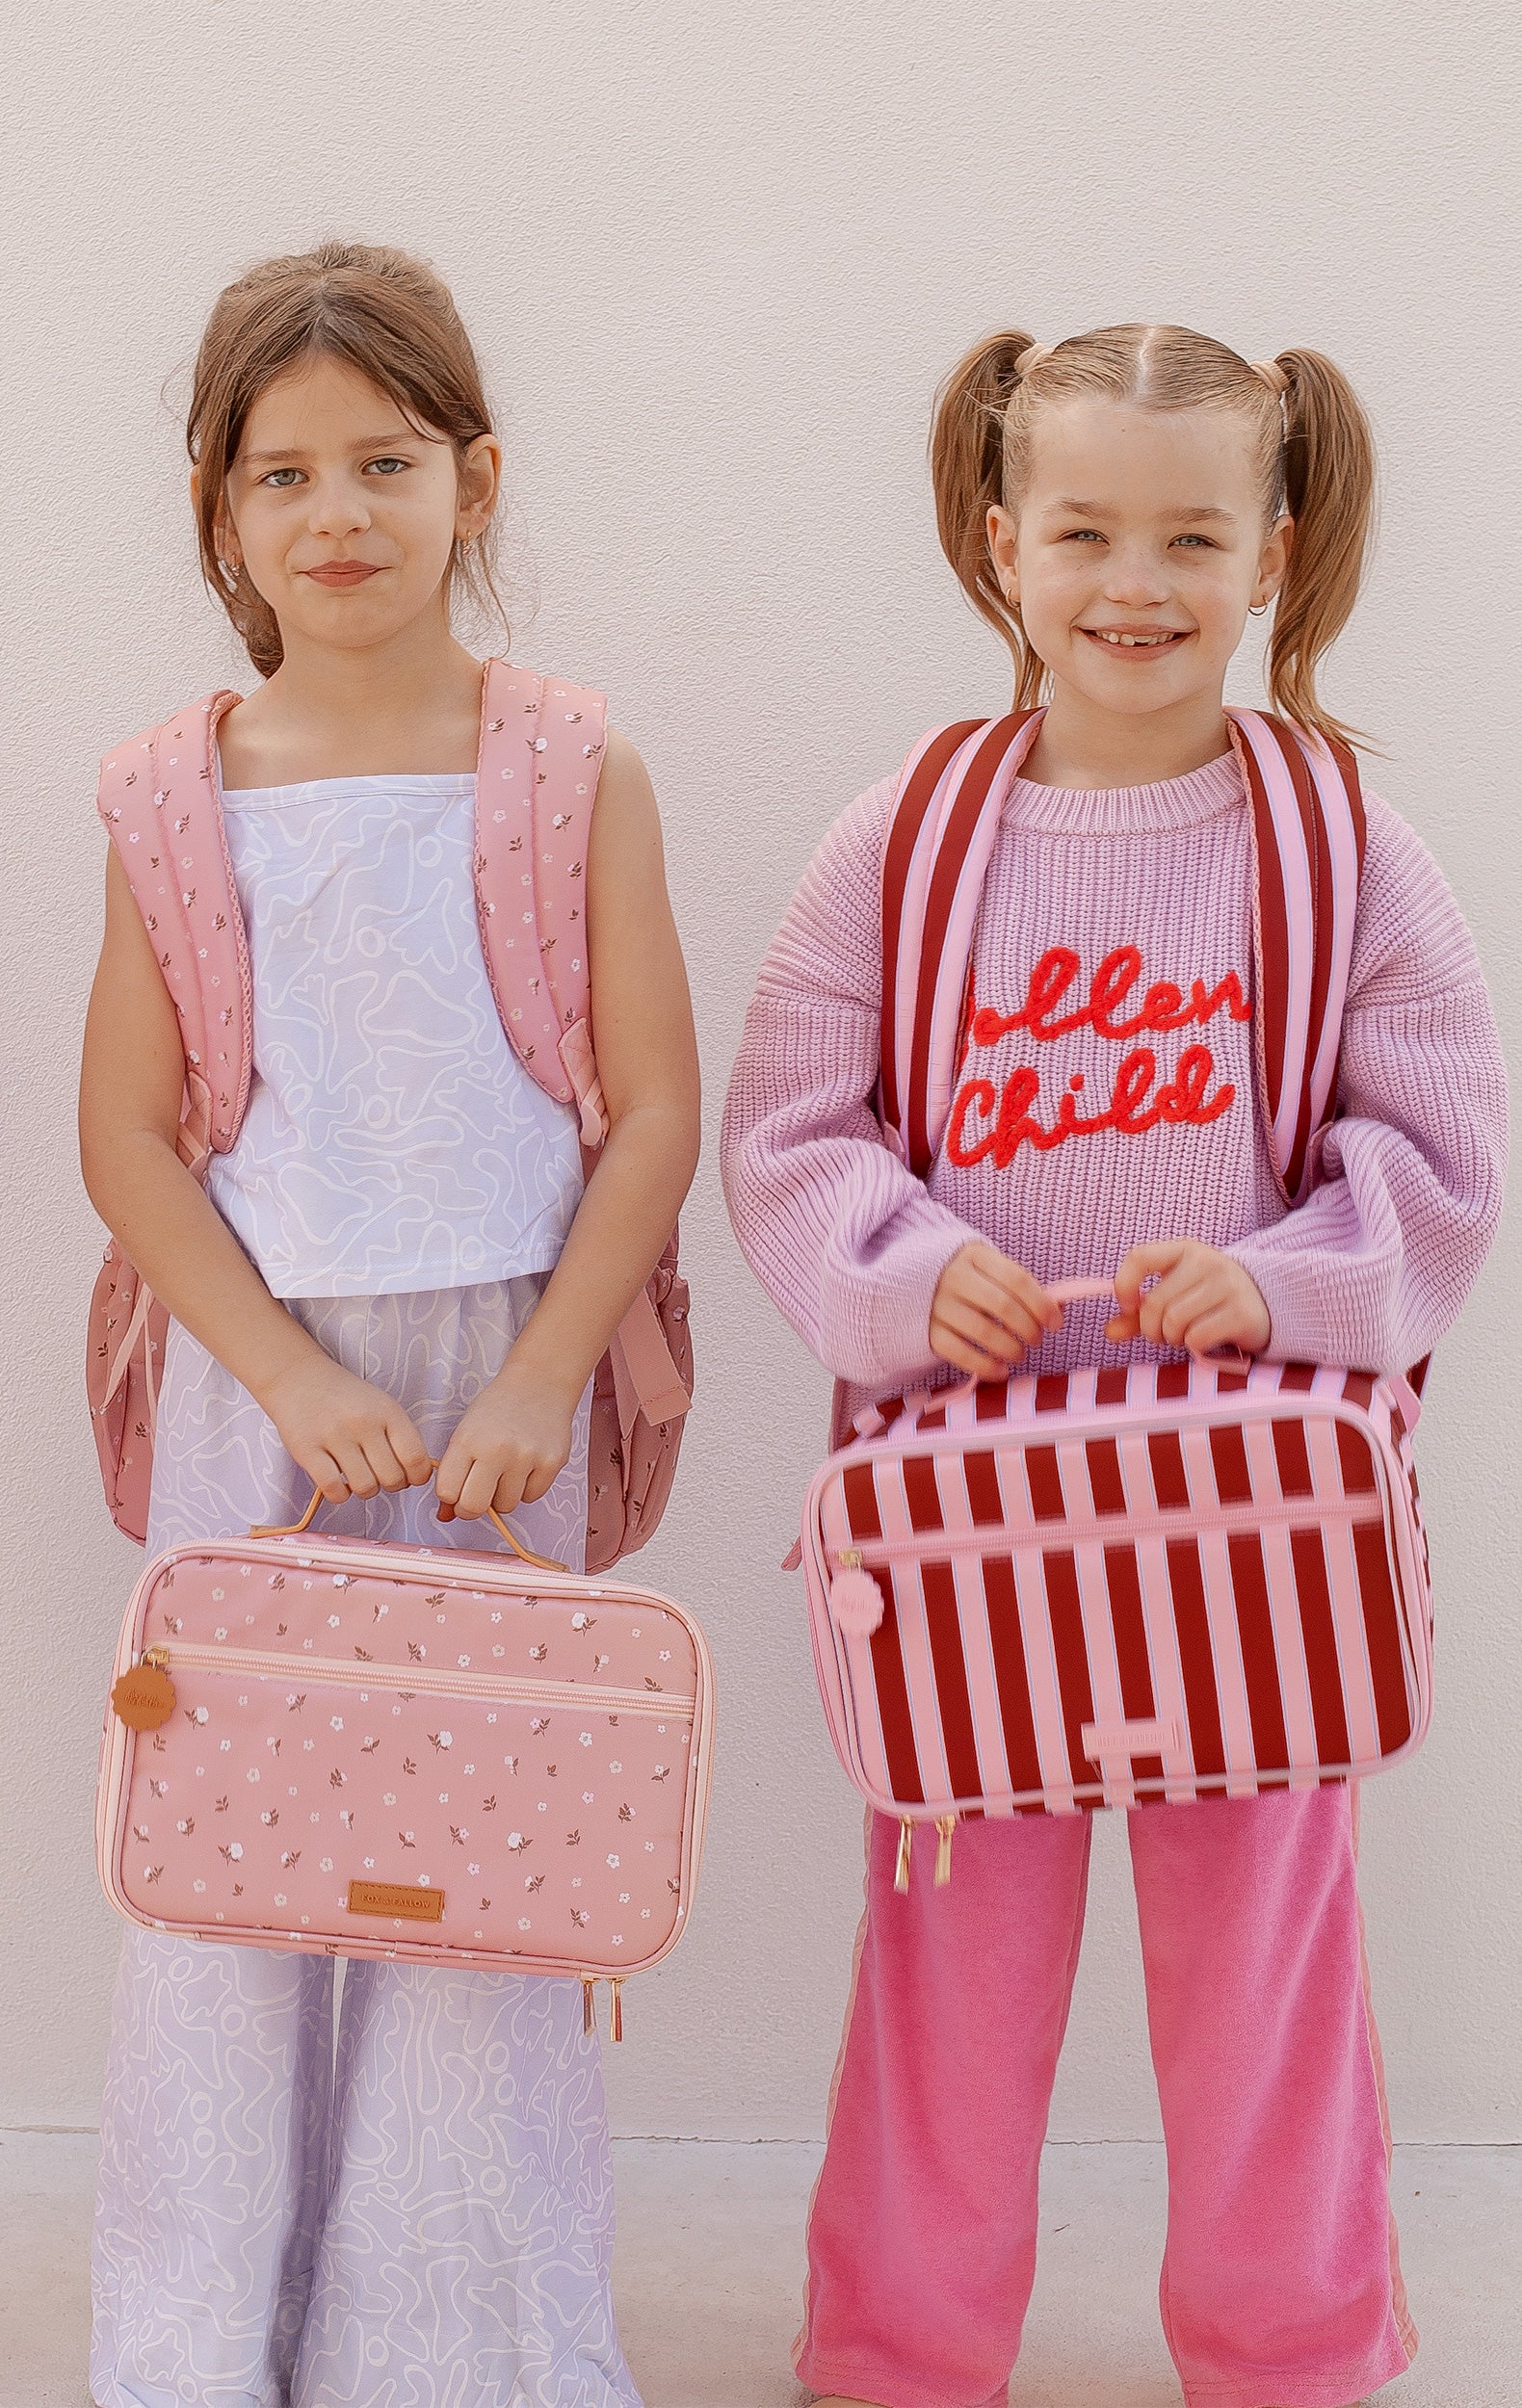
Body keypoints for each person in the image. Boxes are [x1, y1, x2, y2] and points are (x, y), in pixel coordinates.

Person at [721, 324, 1505, 2408]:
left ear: (1272, 547)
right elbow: (789, 1128)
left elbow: (1437, 1149)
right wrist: (898, 1273)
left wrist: (1286, 1276)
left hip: (1248, 1526)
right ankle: (894, 2351)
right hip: (971, 1530)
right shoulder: (904, 836)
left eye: (1186, 532)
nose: (1129, 580)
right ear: (997, 543)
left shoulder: (1337, 843)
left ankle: (1290, 2349)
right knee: (944, 1978)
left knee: (1262, 1969)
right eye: (1078, 528)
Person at [77, 241, 700, 2408]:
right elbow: (133, 1141)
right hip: (266, 1410)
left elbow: (646, 1114)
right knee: (224, 1885)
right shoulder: (174, 794)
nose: (335, 512)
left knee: (476, 1882)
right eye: (281, 474)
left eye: (384, 459)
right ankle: (192, 2342)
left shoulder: (565, 767)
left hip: (485, 1407)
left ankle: (454, 2345)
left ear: (475, 477)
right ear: (215, 510)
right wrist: (278, 1372)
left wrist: (536, 1373)